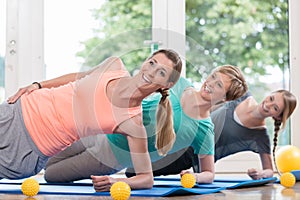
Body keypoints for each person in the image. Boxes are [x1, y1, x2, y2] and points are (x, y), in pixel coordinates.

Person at [1, 49, 182, 191]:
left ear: (167, 84)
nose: (150, 72)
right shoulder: (114, 66)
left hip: (29, 152)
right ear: (145, 61)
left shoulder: (133, 123)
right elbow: (77, 77)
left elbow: (146, 178)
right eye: (152, 63)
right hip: (15, 113)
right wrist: (38, 85)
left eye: (161, 72)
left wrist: (114, 181)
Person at [43, 64, 248, 190]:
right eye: (213, 77)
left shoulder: (204, 129)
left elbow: (209, 173)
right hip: (106, 128)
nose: (210, 84)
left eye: (219, 86)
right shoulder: (179, 83)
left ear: (225, 99)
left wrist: (195, 177)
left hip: (112, 156)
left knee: (50, 175)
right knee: (45, 154)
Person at [127, 89, 297, 180]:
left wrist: (261, 174)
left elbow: (269, 170)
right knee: (130, 153)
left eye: (276, 108)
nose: (269, 105)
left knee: (132, 172)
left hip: (192, 158)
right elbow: (207, 102)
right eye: (272, 98)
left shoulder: (260, 137)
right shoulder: (242, 95)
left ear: (278, 116)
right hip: (180, 134)